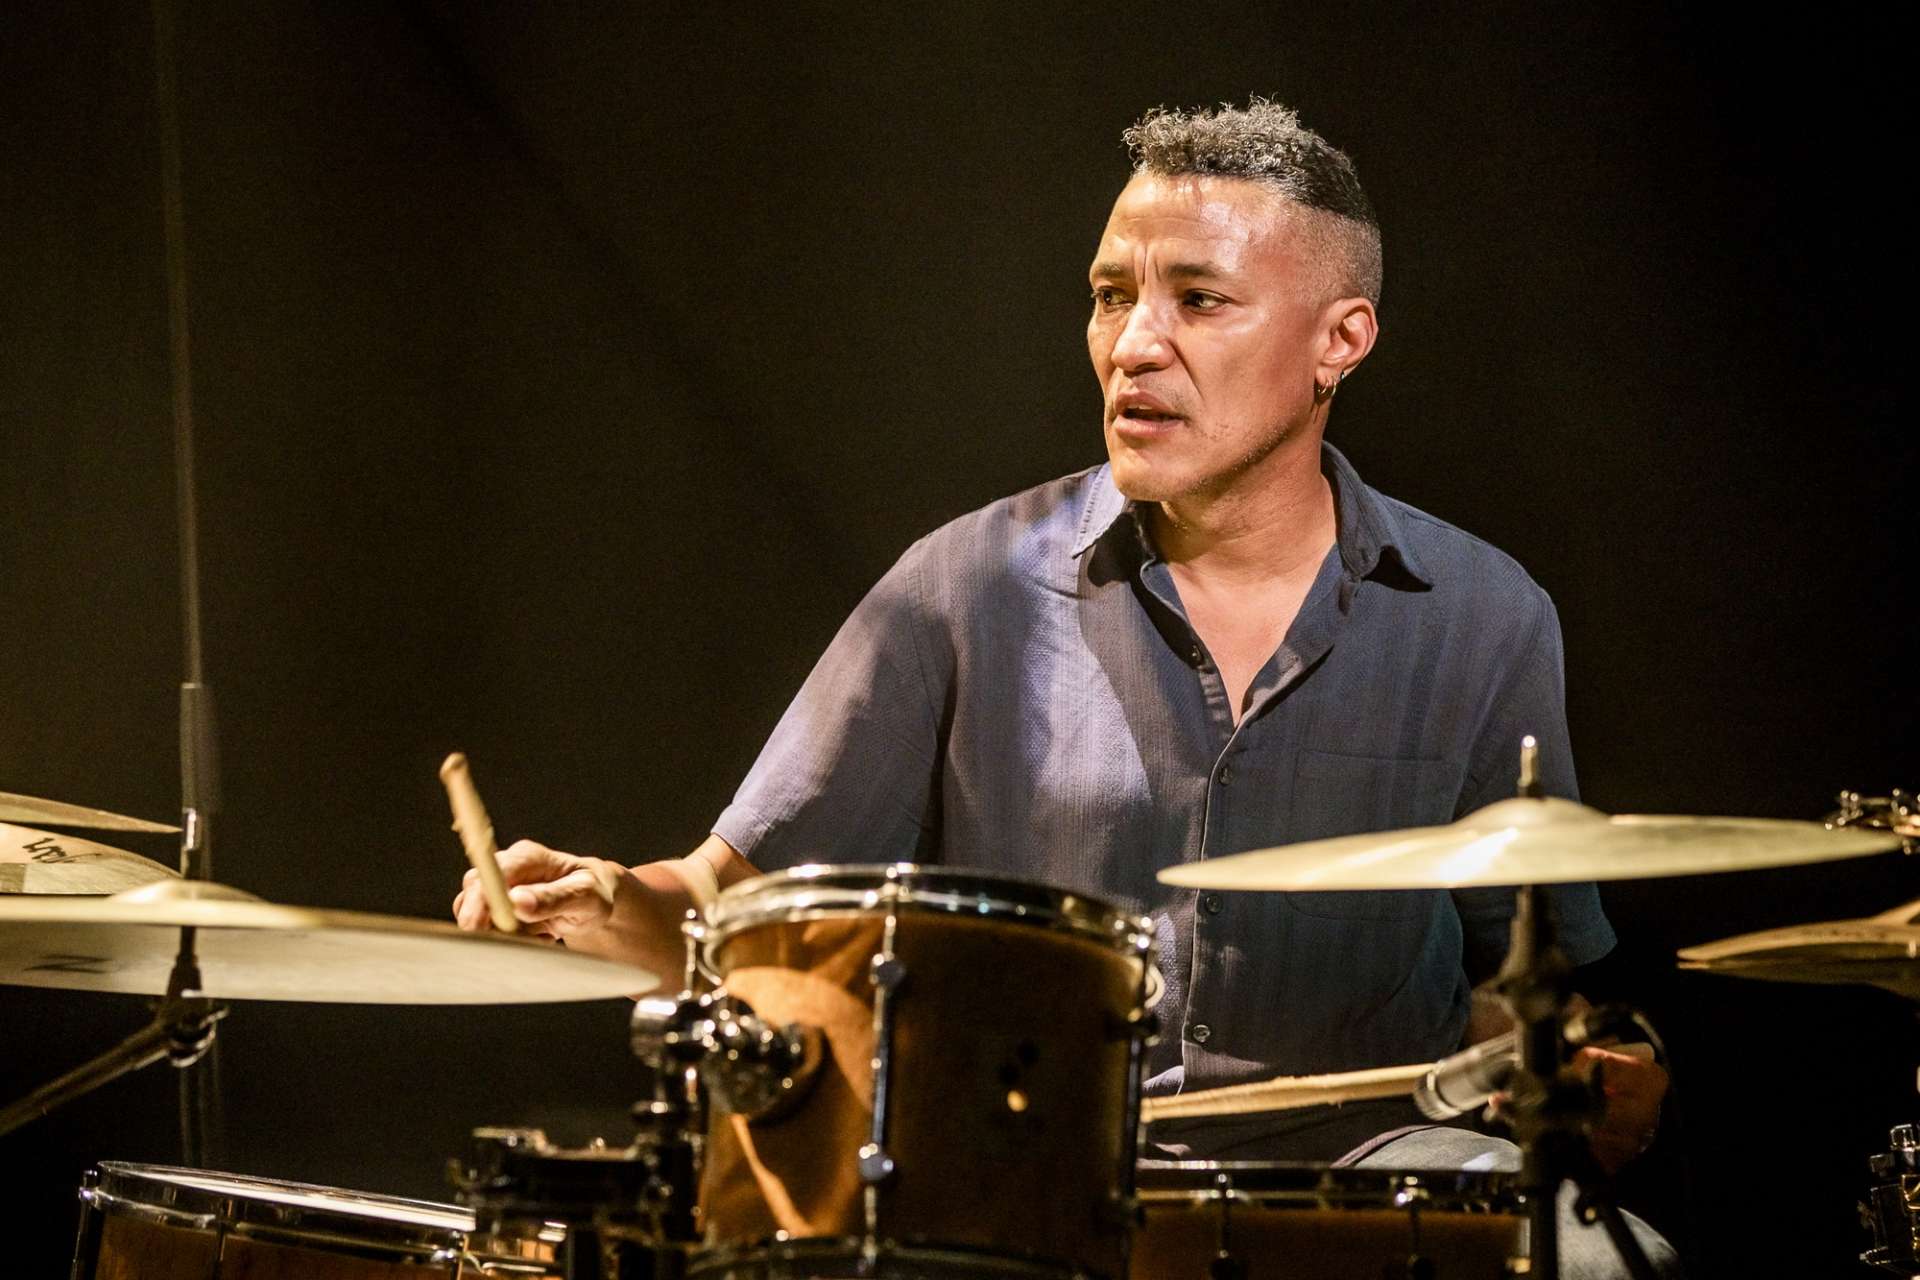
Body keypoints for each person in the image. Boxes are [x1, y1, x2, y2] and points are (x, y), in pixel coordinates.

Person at [455, 98, 1678, 1273]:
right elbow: (733, 902)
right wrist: (606, 902)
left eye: (1199, 299)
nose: (1134, 343)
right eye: (1111, 296)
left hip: (1371, 1169)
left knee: (1607, 1260)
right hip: (1033, 1174)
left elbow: (1530, 981)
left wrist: (1586, 1062)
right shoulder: (961, 585)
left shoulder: (1485, 613)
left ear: (1339, 341)